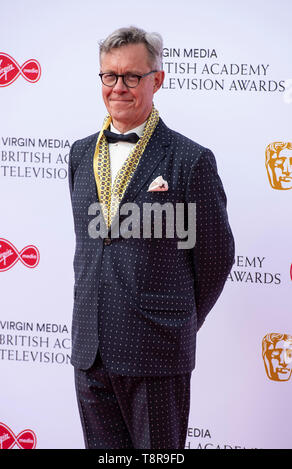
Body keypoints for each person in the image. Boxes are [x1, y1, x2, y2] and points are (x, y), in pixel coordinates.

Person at [68, 26, 234, 450]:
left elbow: (215, 258)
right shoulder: (79, 153)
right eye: (110, 75)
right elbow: (90, 246)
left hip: (157, 351)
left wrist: (176, 322)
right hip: (91, 351)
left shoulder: (189, 159)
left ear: (156, 80)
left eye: (132, 77)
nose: (118, 87)